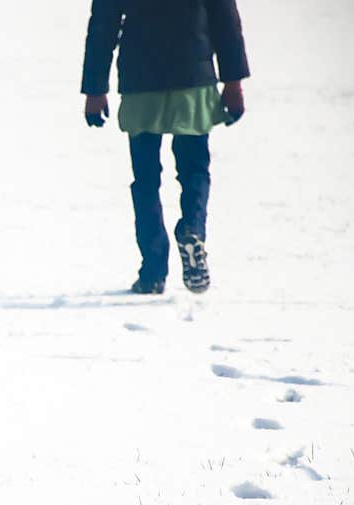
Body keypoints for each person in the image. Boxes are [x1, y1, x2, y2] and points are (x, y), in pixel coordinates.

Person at [81, 0, 250, 294]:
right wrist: (233, 82)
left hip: (140, 81)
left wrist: (95, 89)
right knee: (194, 170)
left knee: (146, 179)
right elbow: (225, 17)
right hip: (192, 80)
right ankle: (192, 230)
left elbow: (103, 22)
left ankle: (153, 271)